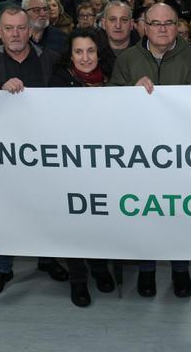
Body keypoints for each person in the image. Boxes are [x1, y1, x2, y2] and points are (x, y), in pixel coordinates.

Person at [0, 6, 69, 297]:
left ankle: (47, 260)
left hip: (46, 151)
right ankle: (3, 268)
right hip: (5, 154)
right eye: (9, 28)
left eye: (21, 28)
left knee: (47, 208)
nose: (15, 34)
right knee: (4, 212)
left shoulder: (49, 59)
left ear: (31, 31)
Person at [109, 3, 191, 298]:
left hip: (183, 153)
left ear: (178, 25)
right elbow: (111, 101)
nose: (162, 29)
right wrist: (130, 93)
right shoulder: (128, 59)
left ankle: (181, 269)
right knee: (146, 213)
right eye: (155, 23)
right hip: (141, 154)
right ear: (143, 26)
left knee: (181, 212)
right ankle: (147, 270)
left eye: (169, 23)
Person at [48, 28, 116, 306]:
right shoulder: (59, 80)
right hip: (72, 165)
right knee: (74, 222)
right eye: (78, 51)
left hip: (106, 165)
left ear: (99, 52)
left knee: (99, 221)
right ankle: (78, 278)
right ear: (70, 54)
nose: (85, 57)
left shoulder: (113, 78)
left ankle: (99, 268)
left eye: (91, 50)